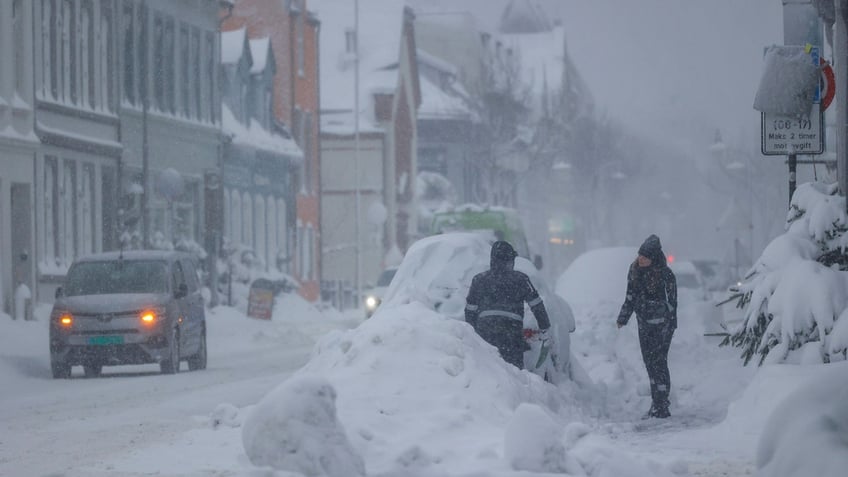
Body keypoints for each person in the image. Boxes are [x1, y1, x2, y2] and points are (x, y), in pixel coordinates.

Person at [617, 234, 678, 419]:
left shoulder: (666, 274)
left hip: (662, 326)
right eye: (640, 255)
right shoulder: (634, 270)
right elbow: (630, 296)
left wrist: (671, 323)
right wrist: (623, 317)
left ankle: (662, 404)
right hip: (644, 323)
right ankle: (657, 401)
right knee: (650, 363)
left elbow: (673, 302)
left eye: (645, 257)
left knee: (659, 362)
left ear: (653, 258)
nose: (641, 259)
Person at [465, 241, 551, 369]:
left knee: (486, 369)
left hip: (485, 332)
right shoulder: (521, 279)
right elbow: (537, 305)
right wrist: (545, 327)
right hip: (511, 333)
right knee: (514, 373)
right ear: (510, 260)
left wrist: (472, 333)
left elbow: (470, 310)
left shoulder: (479, 280)